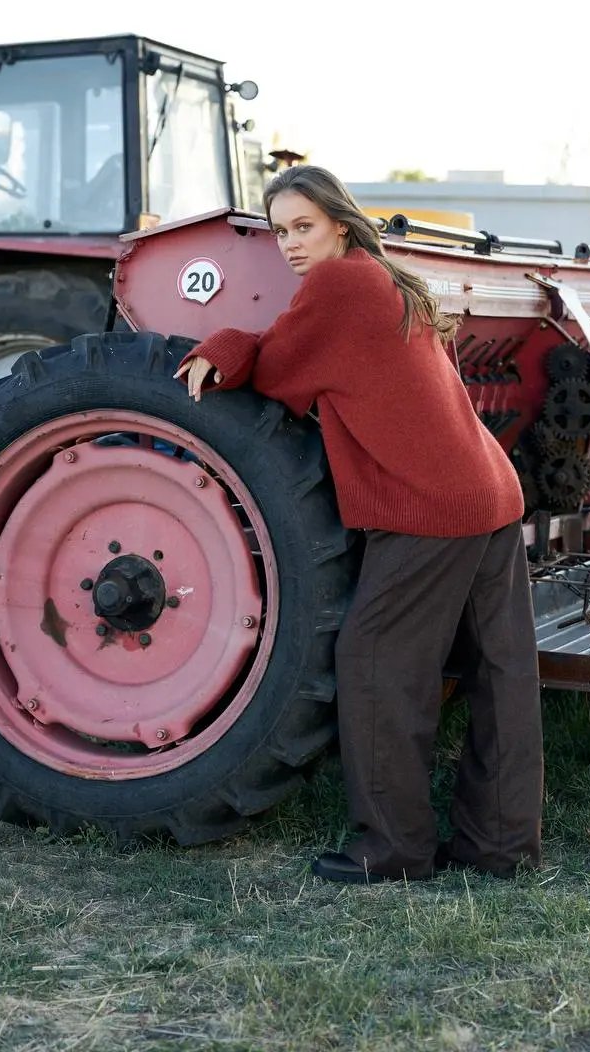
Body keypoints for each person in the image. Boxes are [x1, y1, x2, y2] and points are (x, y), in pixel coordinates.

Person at [175, 165, 543, 884]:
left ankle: (394, 848)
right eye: (280, 231)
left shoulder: (340, 285)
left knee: (376, 665)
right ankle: (501, 846)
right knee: (502, 674)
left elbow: (277, 371)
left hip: (429, 507)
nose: (289, 244)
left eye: (302, 227)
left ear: (339, 223)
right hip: (488, 494)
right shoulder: (384, 275)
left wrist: (218, 346)